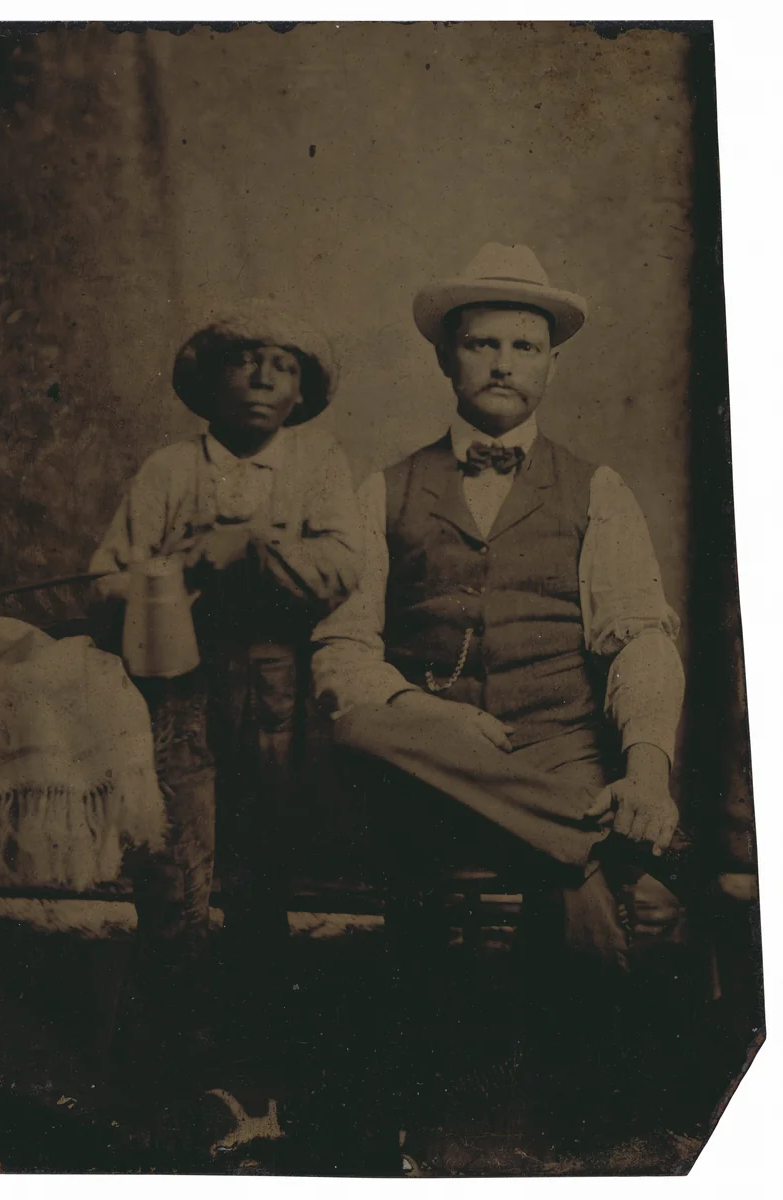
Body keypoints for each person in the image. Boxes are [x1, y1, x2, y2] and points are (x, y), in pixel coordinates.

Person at [311, 243, 689, 1159]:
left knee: (583, 912)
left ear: (552, 361)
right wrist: (435, 717)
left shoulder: (596, 489)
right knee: (359, 723)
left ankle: (582, 1141)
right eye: (483, 345)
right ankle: (594, 836)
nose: (503, 364)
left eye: (524, 346)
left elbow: (639, 637)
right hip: (431, 767)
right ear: (448, 359)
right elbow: (343, 650)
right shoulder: (385, 488)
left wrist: (645, 765)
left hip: (558, 751)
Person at [89, 302, 360, 1159]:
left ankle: (255, 1076)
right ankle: (164, 1076)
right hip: (179, 694)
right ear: (207, 381)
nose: (260, 377)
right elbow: (103, 578)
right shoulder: (169, 469)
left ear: (302, 392)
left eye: (281, 366)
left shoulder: (318, 467)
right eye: (243, 362)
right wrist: (164, 576)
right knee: (178, 875)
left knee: (261, 877)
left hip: (277, 692)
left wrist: (253, 545)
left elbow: (345, 567)